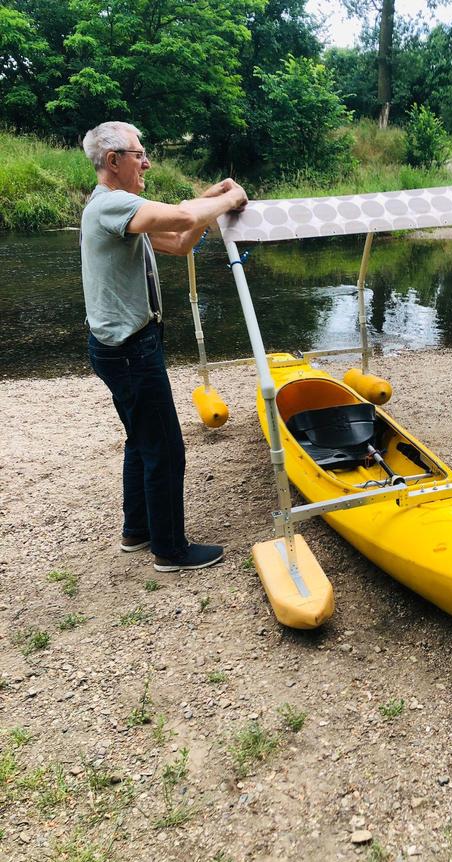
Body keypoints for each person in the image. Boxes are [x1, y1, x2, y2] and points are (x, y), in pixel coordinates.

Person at [80, 120, 247, 572]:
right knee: (167, 447)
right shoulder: (114, 205)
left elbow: (179, 241)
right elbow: (186, 217)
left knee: (142, 440)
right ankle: (170, 550)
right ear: (113, 161)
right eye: (139, 153)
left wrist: (210, 203)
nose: (147, 161)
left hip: (121, 346)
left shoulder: (116, 210)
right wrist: (230, 199)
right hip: (130, 350)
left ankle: (138, 531)